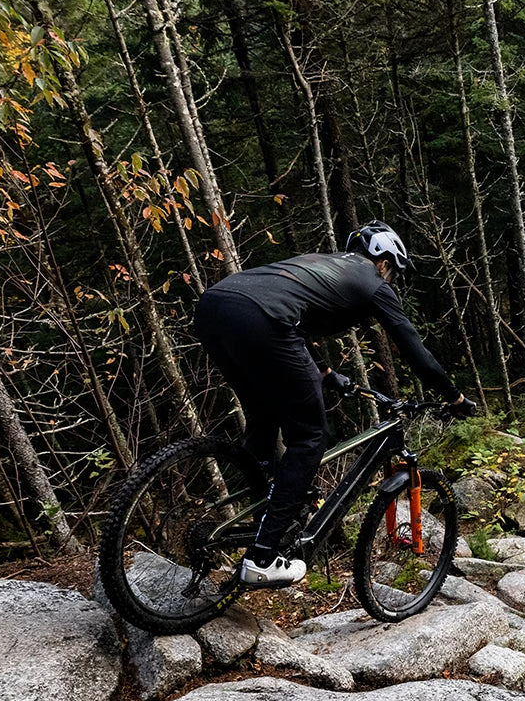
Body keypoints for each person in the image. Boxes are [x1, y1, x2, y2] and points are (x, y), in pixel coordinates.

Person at [193, 220, 476, 587]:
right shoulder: (373, 281)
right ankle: (261, 558)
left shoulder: (324, 264)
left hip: (215, 306)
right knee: (309, 437)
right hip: (261, 318)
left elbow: (292, 323)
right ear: (384, 262)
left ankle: (260, 518)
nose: (391, 280)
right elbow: (414, 350)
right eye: (394, 272)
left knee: (264, 416)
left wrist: (327, 372)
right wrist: (454, 396)